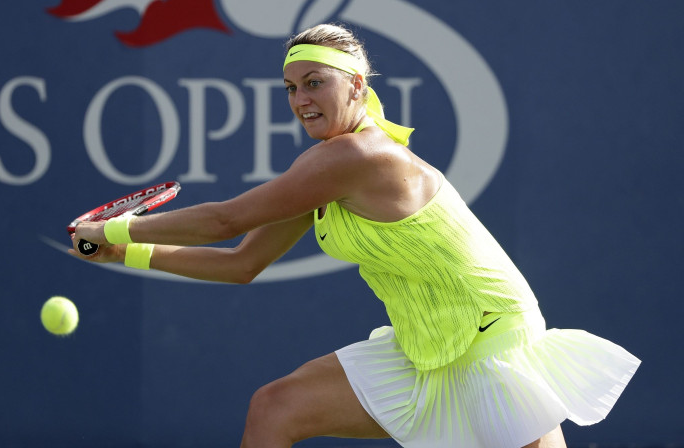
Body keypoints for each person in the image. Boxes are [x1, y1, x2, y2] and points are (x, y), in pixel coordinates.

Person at [70, 23, 640, 448]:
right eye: (291, 88)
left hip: (493, 344)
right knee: (275, 408)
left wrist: (112, 227)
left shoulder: (358, 156)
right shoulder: (324, 168)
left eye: (315, 83)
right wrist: (128, 252)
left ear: (358, 87)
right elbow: (241, 262)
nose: (300, 101)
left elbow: (226, 221)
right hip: (423, 347)